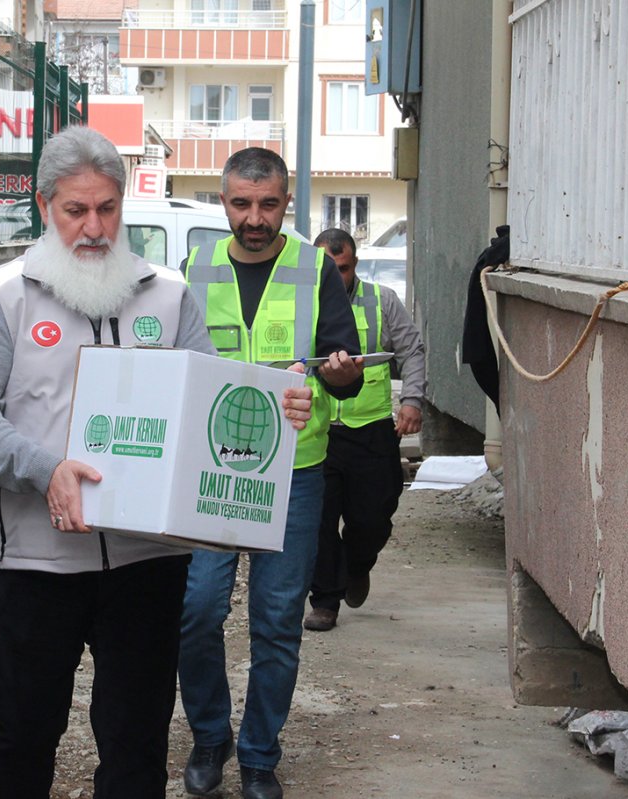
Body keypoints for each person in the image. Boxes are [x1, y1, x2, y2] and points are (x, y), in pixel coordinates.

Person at [0, 127, 313, 799]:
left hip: (147, 561)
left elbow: (209, 404)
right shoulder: (2, 296)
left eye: (107, 208)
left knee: (136, 739)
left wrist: (273, 407)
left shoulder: (167, 295)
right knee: (23, 733)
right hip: (37, 561)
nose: (93, 228)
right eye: (75, 210)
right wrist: (43, 466)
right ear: (45, 206)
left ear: (123, 205)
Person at [178, 147, 364, 799]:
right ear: (223, 201)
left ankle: (258, 754)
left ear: (287, 203)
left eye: (267, 204)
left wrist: (337, 374)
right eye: (239, 203)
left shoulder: (316, 269)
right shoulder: (194, 268)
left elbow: (347, 371)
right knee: (197, 609)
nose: (253, 218)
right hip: (213, 466)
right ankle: (209, 735)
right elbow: (176, 368)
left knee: (277, 617)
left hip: (295, 469)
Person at [302, 228, 426, 633]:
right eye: (328, 269)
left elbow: (411, 350)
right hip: (319, 429)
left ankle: (357, 565)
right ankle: (325, 601)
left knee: (372, 518)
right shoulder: (301, 301)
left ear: (355, 264)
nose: (336, 278)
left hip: (371, 430)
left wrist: (412, 401)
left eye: (344, 268)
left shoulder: (381, 301)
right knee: (319, 521)